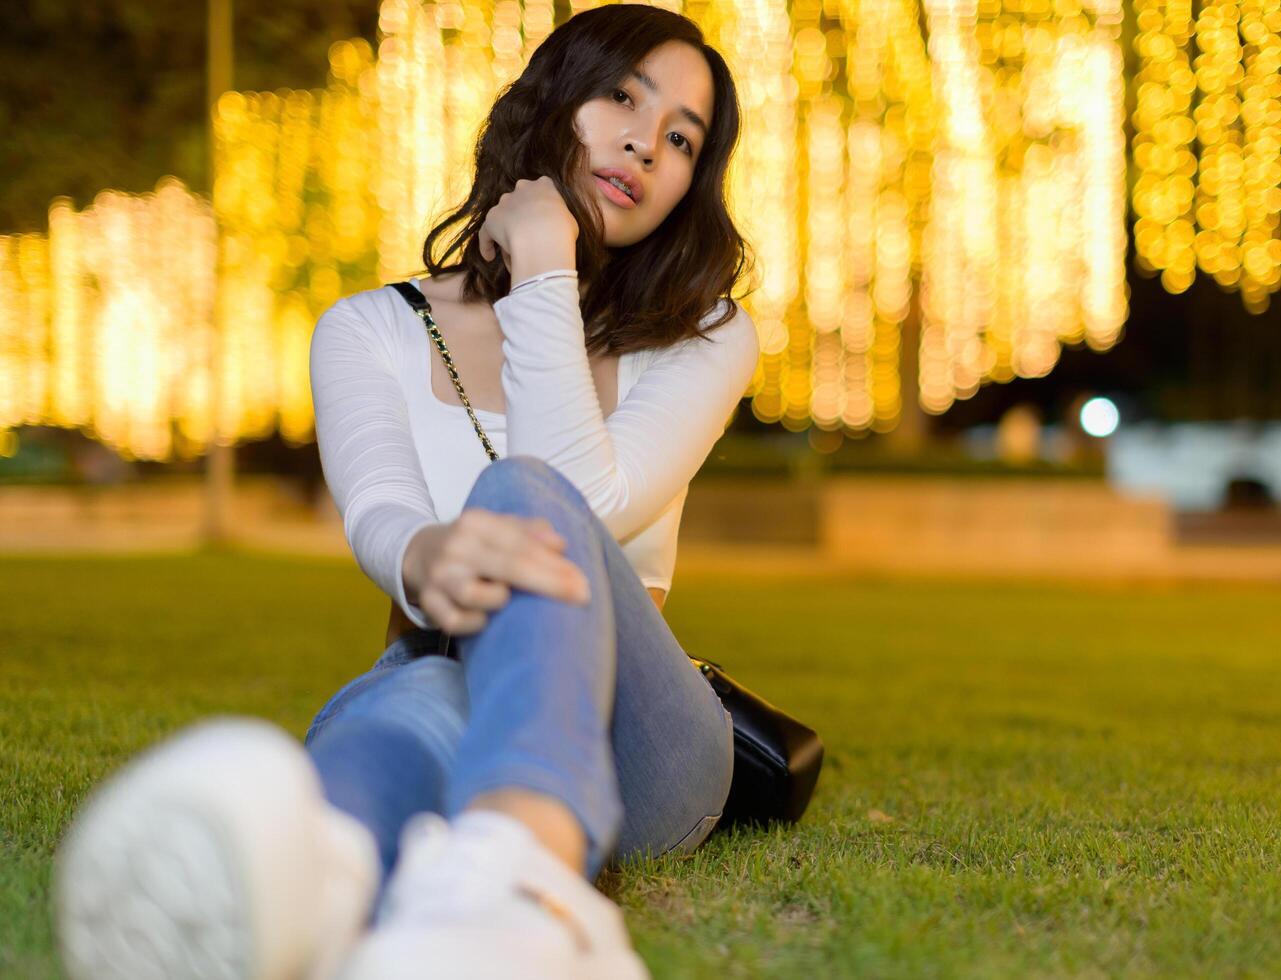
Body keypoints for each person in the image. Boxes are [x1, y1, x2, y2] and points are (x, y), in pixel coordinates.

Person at [52, 6, 758, 979]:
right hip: (439, 664)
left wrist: (545, 266)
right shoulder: (368, 329)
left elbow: (580, 500)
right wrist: (423, 555)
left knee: (519, 488)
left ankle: (529, 872)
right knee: (422, 689)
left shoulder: (707, 334)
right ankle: (324, 875)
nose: (647, 140)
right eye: (620, 95)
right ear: (552, 99)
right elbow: (380, 507)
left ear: (690, 182)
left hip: (642, 737)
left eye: (682, 137)